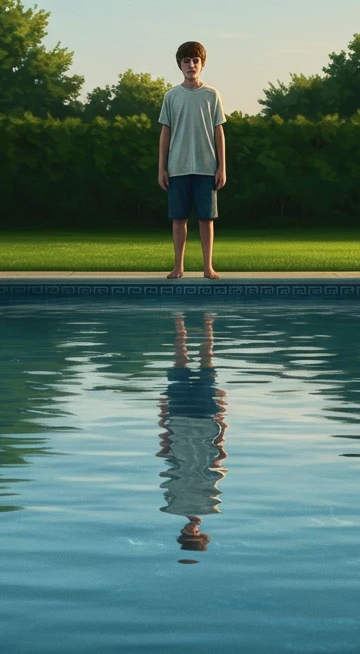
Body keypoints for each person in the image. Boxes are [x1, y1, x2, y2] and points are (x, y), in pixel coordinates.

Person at [157, 313, 228, 559]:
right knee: (207, 361)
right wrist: (222, 415)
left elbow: (169, 461)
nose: (191, 529)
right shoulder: (211, 505)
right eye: (195, 534)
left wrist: (163, 416)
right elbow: (218, 458)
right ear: (201, 533)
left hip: (180, 420)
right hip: (205, 419)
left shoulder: (172, 504)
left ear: (183, 532)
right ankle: (207, 324)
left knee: (180, 362)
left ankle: (179, 324)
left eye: (188, 534)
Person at [157, 41, 227, 279]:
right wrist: (162, 168)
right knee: (179, 219)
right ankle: (179, 266)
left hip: (207, 167)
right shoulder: (171, 96)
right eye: (186, 61)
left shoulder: (211, 95)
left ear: (202, 64)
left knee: (207, 220)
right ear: (180, 64)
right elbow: (165, 133)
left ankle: (208, 267)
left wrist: (222, 167)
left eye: (195, 61)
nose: (191, 65)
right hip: (177, 167)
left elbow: (219, 131)